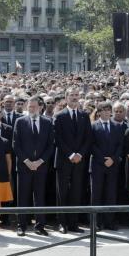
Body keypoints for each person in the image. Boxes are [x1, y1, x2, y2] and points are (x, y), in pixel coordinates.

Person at [13, 96, 55, 236]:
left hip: (41, 166)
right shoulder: (20, 122)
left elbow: (50, 145)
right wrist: (27, 161)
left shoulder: (47, 122)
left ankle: (40, 226)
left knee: (39, 196)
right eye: (29, 106)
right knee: (22, 196)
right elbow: (16, 144)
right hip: (24, 166)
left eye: (34, 107)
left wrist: (40, 161)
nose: (31, 109)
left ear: (40, 107)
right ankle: (21, 225)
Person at [53, 87, 91, 234]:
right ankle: (62, 223)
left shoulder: (84, 115)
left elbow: (88, 138)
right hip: (64, 159)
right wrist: (71, 154)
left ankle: (73, 223)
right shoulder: (59, 116)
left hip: (79, 161)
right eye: (72, 95)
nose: (75, 97)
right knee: (62, 192)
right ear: (66, 97)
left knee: (76, 192)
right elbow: (57, 138)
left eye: (77, 95)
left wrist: (80, 154)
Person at [89, 101, 124, 230]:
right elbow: (91, 144)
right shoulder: (93, 126)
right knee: (96, 194)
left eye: (108, 110)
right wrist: (103, 159)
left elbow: (120, 145)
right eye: (103, 110)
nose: (107, 112)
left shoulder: (117, 126)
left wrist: (113, 159)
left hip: (112, 165)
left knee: (111, 194)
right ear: (98, 112)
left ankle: (110, 222)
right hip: (98, 165)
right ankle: (96, 222)